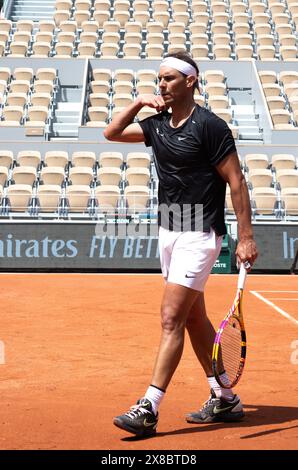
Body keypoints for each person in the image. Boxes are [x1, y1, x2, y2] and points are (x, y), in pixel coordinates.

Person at [104, 50, 258, 438]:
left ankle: (149, 406)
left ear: (191, 81)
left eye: (169, 79)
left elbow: (236, 181)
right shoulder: (156, 124)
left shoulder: (210, 127)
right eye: (159, 79)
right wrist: (139, 102)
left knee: (171, 317)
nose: (161, 85)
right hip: (170, 229)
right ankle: (225, 397)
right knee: (192, 318)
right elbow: (112, 132)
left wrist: (247, 237)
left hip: (200, 232)